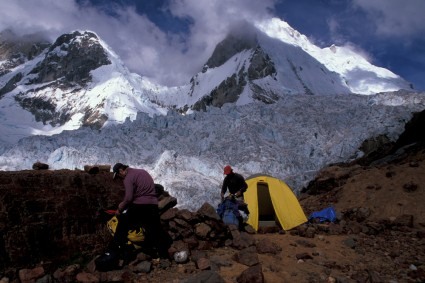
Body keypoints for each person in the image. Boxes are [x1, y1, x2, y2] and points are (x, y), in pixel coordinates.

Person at [111, 162, 170, 260]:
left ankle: (116, 251)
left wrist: (119, 209)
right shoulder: (142, 172)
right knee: (155, 230)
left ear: (121, 170)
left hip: (140, 206)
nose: (120, 178)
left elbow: (129, 198)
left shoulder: (128, 178)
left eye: (118, 175)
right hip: (153, 205)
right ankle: (164, 256)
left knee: (123, 222)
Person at [220, 165, 249, 230]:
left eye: (228, 173)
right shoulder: (226, 179)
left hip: (239, 197)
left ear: (231, 171)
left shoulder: (238, 177)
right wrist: (222, 193)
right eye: (226, 174)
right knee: (231, 209)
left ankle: (241, 227)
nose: (227, 175)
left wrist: (240, 191)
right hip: (232, 195)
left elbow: (245, 186)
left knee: (240, 211)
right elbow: (224, 188)